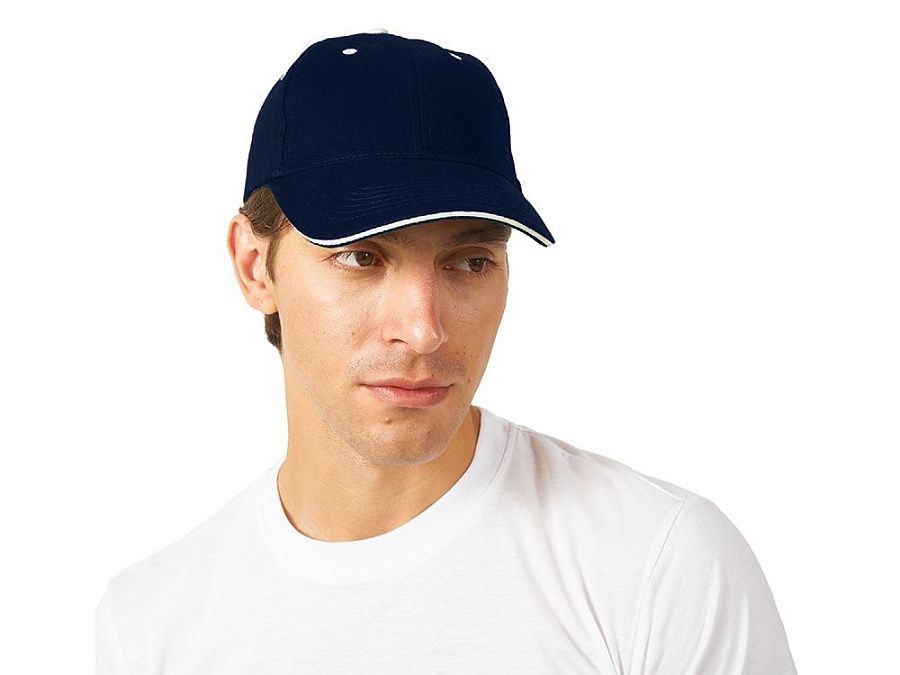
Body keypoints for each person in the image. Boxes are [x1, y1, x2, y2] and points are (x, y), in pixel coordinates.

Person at [95, 30, 797, 673]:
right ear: (255, 267)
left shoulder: (657, 565)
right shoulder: (152, 624)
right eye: (362, 257)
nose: (424, 330)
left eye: (469, 262)